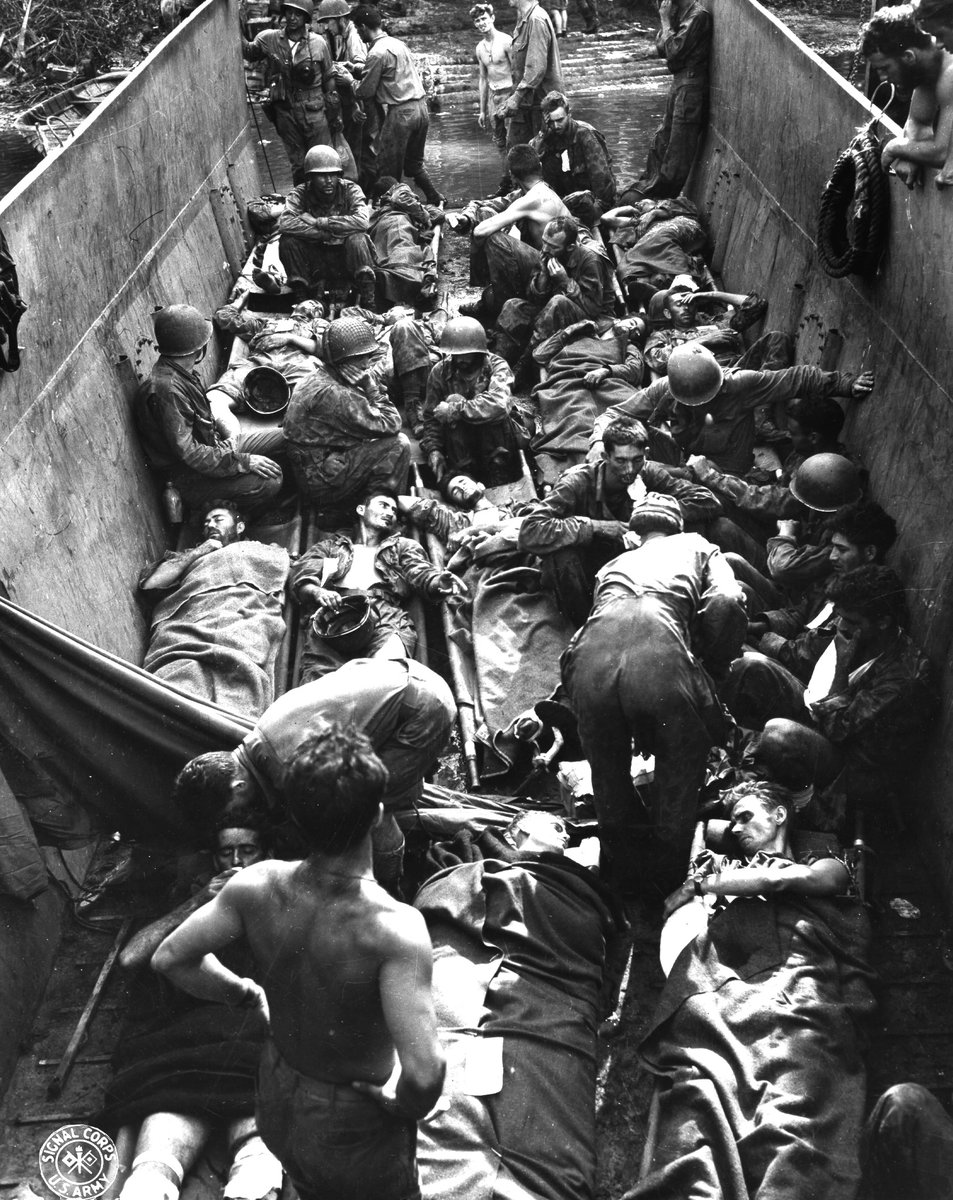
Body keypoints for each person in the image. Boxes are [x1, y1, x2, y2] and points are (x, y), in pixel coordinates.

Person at [152, 723, 446, 1200]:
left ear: (295, 818)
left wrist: (245, 993)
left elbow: (171, 958)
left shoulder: (255, 885)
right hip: (351, 1123)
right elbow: (426, 1073)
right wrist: (399, 1103)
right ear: (375, 815)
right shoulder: (395, 929)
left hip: (277, 1094)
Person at [561, 493, 746, 892]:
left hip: (588, 658)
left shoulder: (613, 564)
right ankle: (666, 883)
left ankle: (621, 880)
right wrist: (711, 665)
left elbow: (599, 622)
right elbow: (727, 601)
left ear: (635, 534)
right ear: (677, 526)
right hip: (659, 652)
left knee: (607, 771)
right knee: (679, 764)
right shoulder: (698, 545)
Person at [106, 806, 282, 1200]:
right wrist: (201, 899)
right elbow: (131, 959)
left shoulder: (283, 893)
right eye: (227, 852)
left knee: (258, 1160)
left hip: (255, 1031)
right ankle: (151, 1179)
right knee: (152, 1168)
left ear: (266, 853)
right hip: (188, 1035)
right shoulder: (191, 895)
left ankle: (255, 1173)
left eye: (248, 850)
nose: (237, 862)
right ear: (214, 857)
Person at [171, 658, 455, 892]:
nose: (235, 815)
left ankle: (392, 885)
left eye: (229, 809)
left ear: (238, 785)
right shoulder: (261, 736)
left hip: (425, 708)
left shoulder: (288, 767)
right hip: (403, 672)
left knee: (371, 812)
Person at [724, 565, 936, 820]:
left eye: (852, 622)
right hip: (825, 715)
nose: (842, 626)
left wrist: (841, 667)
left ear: (883, 622)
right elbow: (806, 655)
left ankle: (810, 812)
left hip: (854, 764)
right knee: (749, 666)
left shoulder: (902, 679)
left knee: (777, 734)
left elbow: (837, 731)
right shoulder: (858, 631)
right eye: (841, 616)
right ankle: (721, 743)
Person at [519, 417, 722, 624]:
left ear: (646, 455)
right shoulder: (576, 482)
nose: (629, 469)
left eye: (637, 459)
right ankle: (586, 625)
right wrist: (596, 527)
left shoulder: (647, 473)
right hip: (589, 566)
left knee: (699, 528)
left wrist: (654, 512)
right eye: (621, 461)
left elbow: (706, 501)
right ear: (606, 456)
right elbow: (531, 529)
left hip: (633, 566)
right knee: (563, 556)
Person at [590, 340, 875, 478]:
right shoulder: (665, 388)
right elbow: (615, 415)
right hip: (686, 453)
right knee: (625, 442)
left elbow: (794, 379)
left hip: (726, 469)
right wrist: (599, 440)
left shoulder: (739, 385)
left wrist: (845, 384)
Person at [290, 492, 467, 680]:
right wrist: (317, 592)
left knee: (386, 678)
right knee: (321, 689)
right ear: (361, 510)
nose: (390, 513)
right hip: (335, 614)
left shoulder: (402, 546)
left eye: (394, 510)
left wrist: (438, 581)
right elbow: (302, 578)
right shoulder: (330, 547)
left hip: (385, 616)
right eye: (383, 505)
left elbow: (420, 572)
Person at [139, 502, 291, 718]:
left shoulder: (264, 551)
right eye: (206, 522)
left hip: (244, 617)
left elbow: (290, 575)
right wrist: (201, 551)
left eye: (218, 519)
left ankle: (228, 722)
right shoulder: (193, 555)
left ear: (239, 527)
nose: (210, 524)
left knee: (240, 669)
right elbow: (151, 584)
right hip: (193, 619)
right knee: (180, 675)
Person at [134, 305, 283, 518]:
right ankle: (226, 515)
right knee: (271, 481)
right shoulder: (168, 391)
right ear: (197, 348)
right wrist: (243, 462)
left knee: (286, 436)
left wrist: (234, 451)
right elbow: (191, 455)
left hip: (215, 450)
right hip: (191, 477)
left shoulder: (180, 374)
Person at [662, 779, 851, 921]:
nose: (735, 829)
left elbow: (776, 879)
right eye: (733, 824)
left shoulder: (825, 865)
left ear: (778, 815)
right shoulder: (724, 867)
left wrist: (697, 886)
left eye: (745, 817)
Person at [282, 315, 411, 524]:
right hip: (322, 483)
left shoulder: (316, 377)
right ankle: (377, 505)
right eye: (361, 358)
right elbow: (391, 422)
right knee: (398, 444)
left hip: (315, 467)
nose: (367, 363)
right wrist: (370, 387)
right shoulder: (335, 394)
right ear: (343, 361)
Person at [493, 214, 617, 380]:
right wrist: (543, 277)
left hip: (592, 319)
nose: (545, 249)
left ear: (570, 247)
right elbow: (534, 299)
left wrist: (565, 281)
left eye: (552, 246)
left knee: (558, 302)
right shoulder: (547, 253)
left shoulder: (589, 259)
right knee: (513, 305)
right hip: (553, 313)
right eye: (544, 242)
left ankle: (523, 367)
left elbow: (593, 309)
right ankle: (496, 362)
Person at [351, 4, 444, 205]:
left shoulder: (376, 52)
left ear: (364, 27)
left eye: (358, 29)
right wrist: (357, 68)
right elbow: (389, 74)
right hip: (421, 109)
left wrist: (347, 79)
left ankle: (397, 212)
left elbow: (365, 91)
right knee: (414, 165)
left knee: (387, 170)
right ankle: (436, 198)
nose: (358, 33)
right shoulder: (398, 44)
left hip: (402, 114)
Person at [421, 316, 528, 486]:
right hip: (461, 447)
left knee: (461, 404)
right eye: (455, 355)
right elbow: (431, 417)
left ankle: (498, 473)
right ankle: (466, 474)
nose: (460, 360)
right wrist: (434, 449)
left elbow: (498, 404)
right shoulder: (440, 372)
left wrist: (456, 410)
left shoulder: (497, 366)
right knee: (452, 400)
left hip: (497, 441)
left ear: (478, 350)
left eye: (465, 354)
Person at [242, 0, 338, 184]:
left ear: (306, 17)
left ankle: (325, 206)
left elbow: (329, 78)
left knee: (322, 160)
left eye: (298, 14)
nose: (292, 17)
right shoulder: (269, 39)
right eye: (289, 12)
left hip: (315, 111)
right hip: (286, 112)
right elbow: (248, 51)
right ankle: (302, 206)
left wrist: (334, 112)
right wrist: (234, 21)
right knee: (298, 164)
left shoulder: (318, 43)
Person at [861, 4, 953, 188]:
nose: (883, 79)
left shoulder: (950, 73)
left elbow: (943, 152)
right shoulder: (926, 68)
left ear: (909, 57)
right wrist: (909, 152)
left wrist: (896, 148)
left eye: (885, 68)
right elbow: (918, 123)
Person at [277, 145, 377, 308]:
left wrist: (320, 222)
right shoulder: (300, 194)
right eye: (322, 176)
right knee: (288, 241)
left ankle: (369, 300)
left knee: (358, 239)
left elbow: (362, 221)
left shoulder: (350, 190)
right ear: (311, 178)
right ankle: (302, 299)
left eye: (333, 175)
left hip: (345, 258)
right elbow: (285, 223)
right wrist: (325, 235)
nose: (329, 181)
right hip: (316, 257)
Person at [635, 0, 712, 199]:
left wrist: (664, 20)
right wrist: (667, 21)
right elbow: (662, 49)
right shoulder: (681, 14)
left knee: (677, 153)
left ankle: (662, 198)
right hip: (679, 84)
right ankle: (650, 189)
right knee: (661, 140)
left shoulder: (697, 16)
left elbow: (673, 51)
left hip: (690, 87)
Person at [530, 91, 616, 211]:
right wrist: (543, 134)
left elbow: (602, 180)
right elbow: (529, 165)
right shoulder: (548, 135)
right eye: (550, 122)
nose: (556, 126)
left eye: (560, 120)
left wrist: (598, 212)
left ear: (569, 114)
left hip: (592, 202)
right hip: (563, 201)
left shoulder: (586, 135)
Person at [315, 0, 369, 181]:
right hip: (351, 102)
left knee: (359, 153)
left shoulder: (354, 38)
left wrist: (355, 104)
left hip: (358, 103)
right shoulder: (342, 38)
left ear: (340, 19)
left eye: (328, 22)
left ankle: (363, 195)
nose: (326, 27)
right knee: (352, 152)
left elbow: (363, 70)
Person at [500, 0, 564, 146]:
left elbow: (536, 68)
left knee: (541, 158)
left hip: (542, 106)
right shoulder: (525, 19)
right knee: (517, 154)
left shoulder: (536, 19)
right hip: (527, 104)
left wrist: (516, 98)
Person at [472, 4, 514, 155]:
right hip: (493, 96)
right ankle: (505, 176)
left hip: (509, 93)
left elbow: (516, 72)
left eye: (484, 18)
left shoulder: (506, 41)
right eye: (477, 20)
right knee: (499, 141)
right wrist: (482, 111)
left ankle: (517, 176)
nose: (481, 23)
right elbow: (483, 79)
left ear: (492, 18)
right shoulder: (479, 48)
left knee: (513, 139)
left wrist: (515, 99)